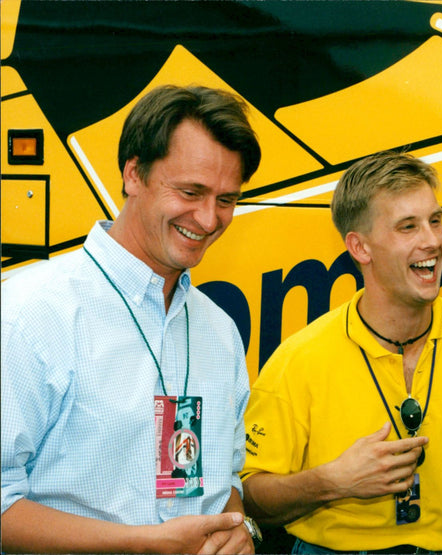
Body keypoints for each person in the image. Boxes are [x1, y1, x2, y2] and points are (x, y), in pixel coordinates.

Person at [240, 150, 442, 553]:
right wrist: (331, 482)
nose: (434, 241)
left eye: (435, 221)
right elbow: (248, 497)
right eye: (408, 227)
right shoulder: (299, 358)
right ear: (360, 247)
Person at [1, 85, 265, 554]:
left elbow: (226, 484)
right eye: (190, 191)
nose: (208, 219)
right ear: (133, 174)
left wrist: (237, 530)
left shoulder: (218, 331)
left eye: (226, 199)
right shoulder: (29, 312)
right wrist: (140, 544)